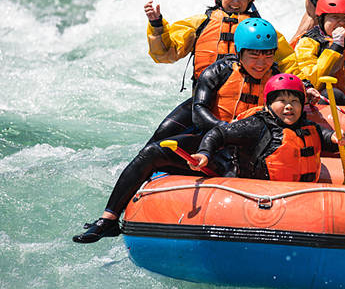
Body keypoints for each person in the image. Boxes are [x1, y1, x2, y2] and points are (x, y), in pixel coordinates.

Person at [72, 18, 292, 243]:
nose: (261, 63)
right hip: (213, 144)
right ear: (239, 52)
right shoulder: (217, 72)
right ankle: (108, 220)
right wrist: (226, 131)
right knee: (151, 153)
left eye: (267, 55)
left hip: (251, 156)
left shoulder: (279, 82)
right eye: (254, 55)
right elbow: (198, 112)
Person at [143, 0, 293, 141]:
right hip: (203, 100)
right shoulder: (201, 23)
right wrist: (157, 25)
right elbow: (166, 54)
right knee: (162, 134)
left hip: (248, 101)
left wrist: (306, 86)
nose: (236, 2)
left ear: (250, 0)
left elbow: (288, 62)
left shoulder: (261, 30)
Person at [189, 73, 345, 182]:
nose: (288, 106)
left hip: (302, 194)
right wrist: (204, 153)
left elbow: (326, 138)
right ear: (268, 105)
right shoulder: (256, 125)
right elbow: (218, 134)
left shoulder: (308, 126)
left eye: (294, 101)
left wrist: (337, 138)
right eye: (282, 101)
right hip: (261, 194)